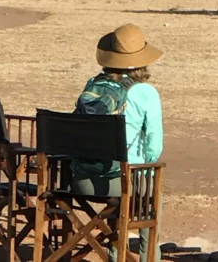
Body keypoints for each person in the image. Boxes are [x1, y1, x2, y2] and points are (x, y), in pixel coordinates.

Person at [72, 23, 164, 262]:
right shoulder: (146, 92)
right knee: (151, 189)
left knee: (128, 192)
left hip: (81, 180)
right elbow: (154, 144)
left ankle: (115, 254)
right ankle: (148, 256)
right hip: (123, 182)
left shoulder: (93, 87)